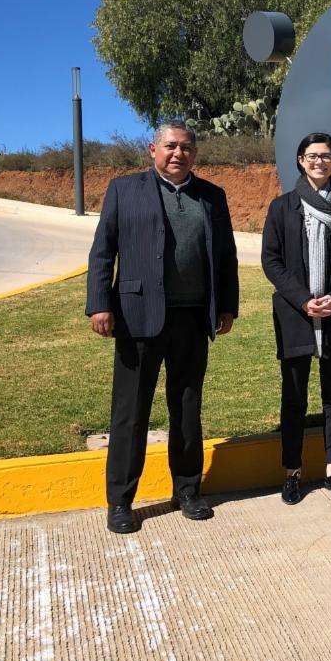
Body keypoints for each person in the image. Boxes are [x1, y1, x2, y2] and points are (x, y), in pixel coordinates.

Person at [86, 119, 239, 535]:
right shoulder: (124, 190)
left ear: (194, 153)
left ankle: (187, 491)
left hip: (192, 318)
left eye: (186, 147)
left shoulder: (212, 196)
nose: (178, 154)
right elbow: (103, 251)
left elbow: (225, 255)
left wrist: (227, 305)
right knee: (130, 413)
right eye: (170, 146)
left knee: (187, 408)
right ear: (153, 150)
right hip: (137, 317)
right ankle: (121, 501)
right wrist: (99, 304)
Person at [261, 133, 331, 504]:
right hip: (295, 316)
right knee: (294, 398)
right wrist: (304, 300)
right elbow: (271, 260)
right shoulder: (282, 208)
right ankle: (292, 472)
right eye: (312, 155)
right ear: (300, 160)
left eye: (326, 155)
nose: (319, 161)